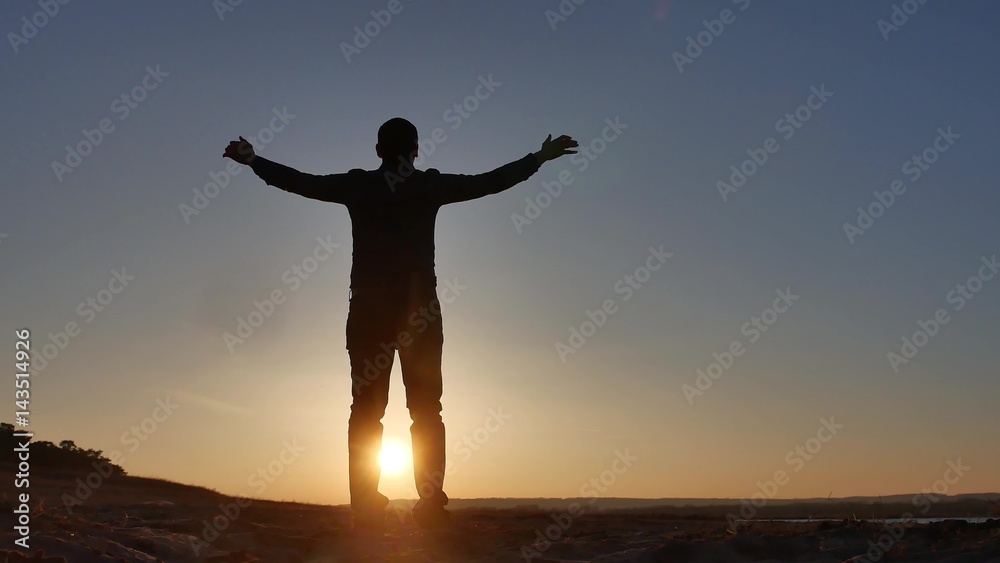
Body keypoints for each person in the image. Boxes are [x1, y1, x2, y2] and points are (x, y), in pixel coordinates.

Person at [223, 118, 578, 531]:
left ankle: (366, 508)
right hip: (419, 315)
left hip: (370, 313)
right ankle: (429, 505)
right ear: (416, 150)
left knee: (366, 412)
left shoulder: (359, 186)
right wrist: (539, 158)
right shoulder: (428, 185)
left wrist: (254, 161)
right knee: (427, 411)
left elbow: (301, 182)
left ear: (377, 151)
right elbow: (490, 182)